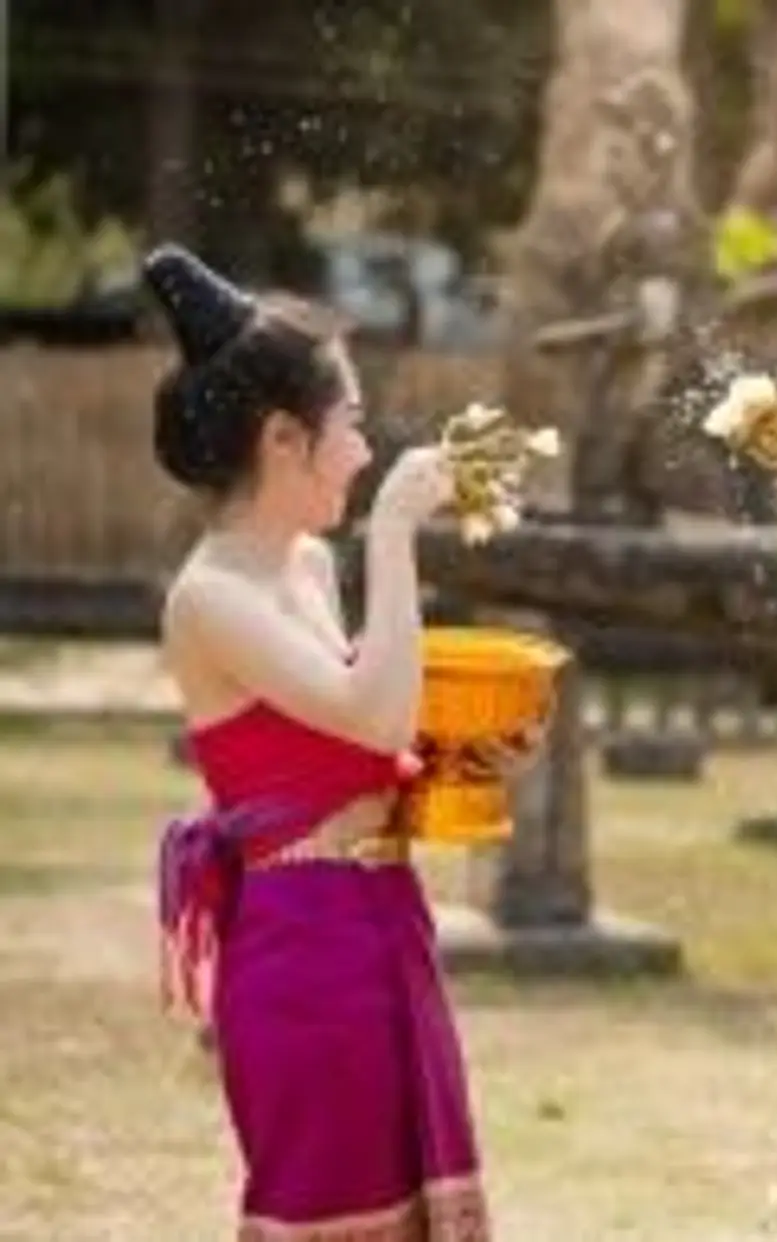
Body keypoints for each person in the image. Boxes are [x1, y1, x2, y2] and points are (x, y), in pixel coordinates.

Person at [148, 243, 509, 1241]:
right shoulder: (210, 597)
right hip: (303, 954)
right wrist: (394, 532)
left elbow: (371, 735)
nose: (361, 448)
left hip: (387, 924)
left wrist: (452, 758)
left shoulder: (305, 565)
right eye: (347, 421)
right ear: (282, 438)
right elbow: (369, 711)